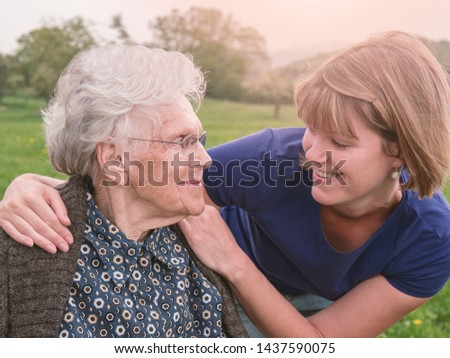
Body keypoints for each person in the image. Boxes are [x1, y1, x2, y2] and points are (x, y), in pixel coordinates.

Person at [1, 31, 450, 337]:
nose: (312, 153)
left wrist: (233, 260)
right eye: (312, 129)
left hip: (303, 294)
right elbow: (125, 178)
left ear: (400, 152)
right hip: (229, 283)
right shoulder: (271, 160)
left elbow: (317, 341)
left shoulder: (430, 238)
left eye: (340, 141)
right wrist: (33, 185)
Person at [0, 45, 248, 338]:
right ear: (115, 161)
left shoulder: (199, 237)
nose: (205, 159)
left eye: (199, 139)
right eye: (182, 142)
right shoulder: (22, 254)